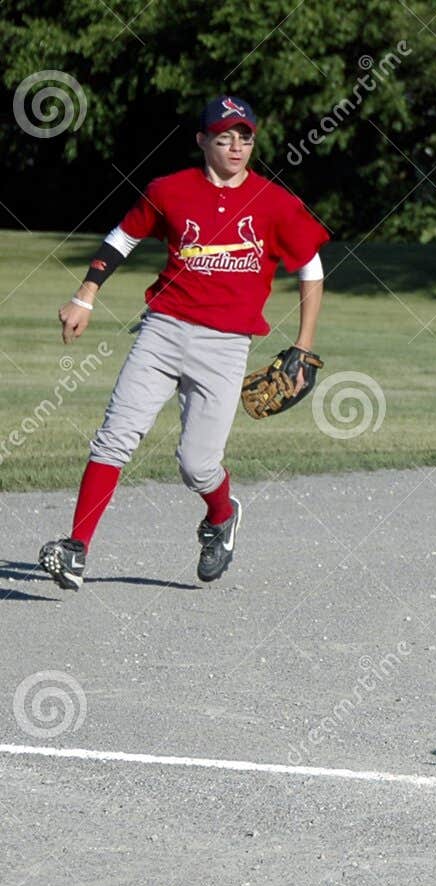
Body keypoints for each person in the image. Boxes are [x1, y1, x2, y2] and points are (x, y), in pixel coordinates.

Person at [39, 95, 329, 590]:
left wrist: (302, 346)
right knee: (115, 435)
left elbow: (311, 268)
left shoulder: (275, 201)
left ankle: (221, 515)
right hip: (163, 329)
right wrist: (85, 295)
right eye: (224, 136)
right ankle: (76, 549)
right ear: (202, 141)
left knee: (197, 465)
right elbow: (122, 237)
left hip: (226, 344)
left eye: (245, 136)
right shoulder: (168, 191)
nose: (236, 145)